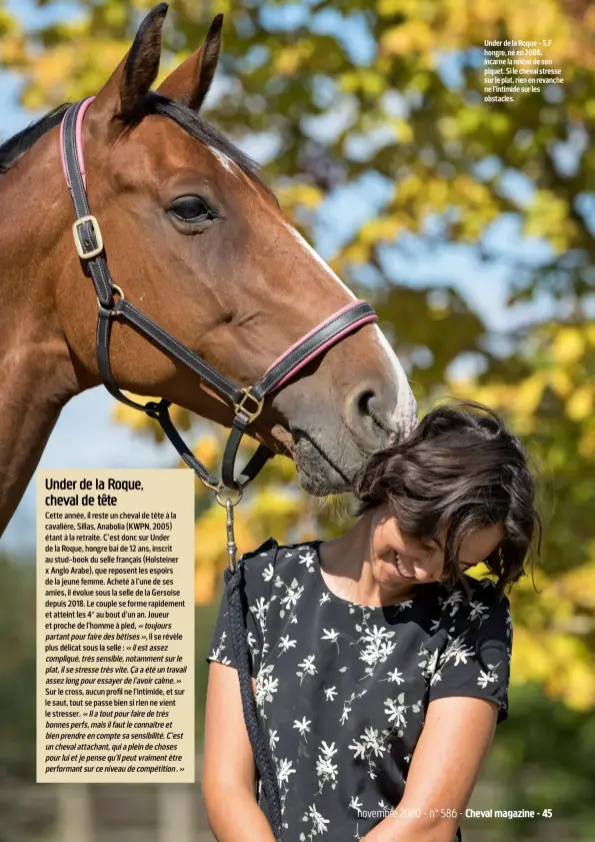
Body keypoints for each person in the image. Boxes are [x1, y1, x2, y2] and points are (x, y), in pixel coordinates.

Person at [202, 401, 540, 842]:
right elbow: (226, 787)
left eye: (454, 563)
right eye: (422, 536)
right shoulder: (258, 587)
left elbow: (429, 822)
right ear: (397, 483)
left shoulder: (472, 622)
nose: (426, 570)